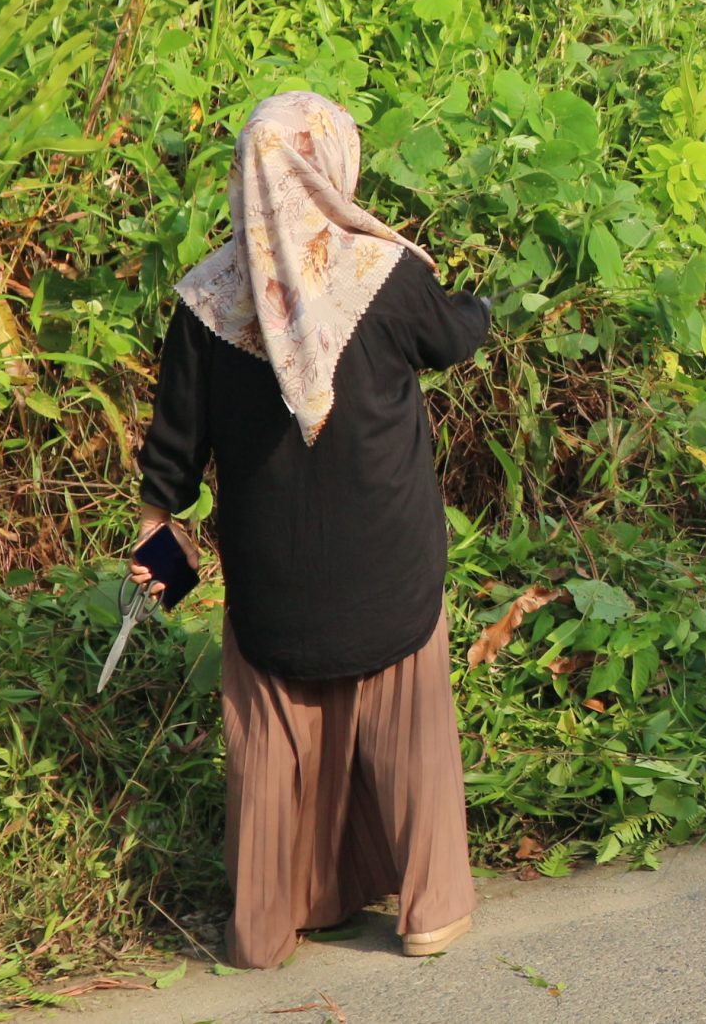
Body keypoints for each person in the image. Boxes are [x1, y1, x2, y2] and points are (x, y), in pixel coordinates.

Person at [131, 91, 490, 967]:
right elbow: (453, 337)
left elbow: (174, 446)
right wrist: (478, 299)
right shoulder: (384, 273)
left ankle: (270, 920)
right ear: (330, 166)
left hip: (273, 584)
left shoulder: (209, 302)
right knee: (410, 733)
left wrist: (154, 526)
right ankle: (431, 908)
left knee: (278, 742)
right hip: (391, 567)